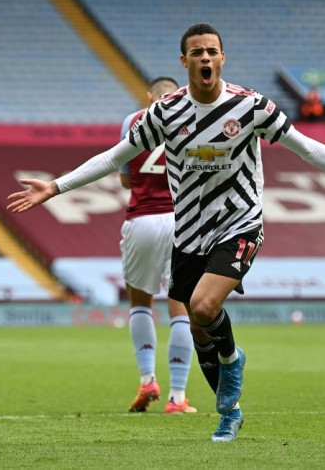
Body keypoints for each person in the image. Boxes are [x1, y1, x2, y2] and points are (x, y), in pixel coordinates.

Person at [7, 23, 325, 443]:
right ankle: (229, 411)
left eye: (212, 51)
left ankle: (232, 360)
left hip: (240, 223)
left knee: (201, 308)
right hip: (189, 234)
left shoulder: (251, 106)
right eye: (197, 52)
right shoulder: (165, 112)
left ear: (223, 58)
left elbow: (306, 146)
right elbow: (115, 158)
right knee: (198, 328)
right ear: (184, 62)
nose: (205, 58)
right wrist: (55, 186)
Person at [119, 76, 197, 415]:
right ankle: (177, 397)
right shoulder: (192, 120)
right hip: (181, 221)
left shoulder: (134, 120)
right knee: (179, 305)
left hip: (141, 220)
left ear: (150, 96)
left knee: (140, 302)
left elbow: (125, 177)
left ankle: (147, 378)